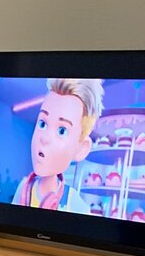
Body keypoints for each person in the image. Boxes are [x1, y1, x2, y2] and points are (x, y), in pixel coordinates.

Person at [13, 77, 104, 213]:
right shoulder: (24, 188)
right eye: (42, 124)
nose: (45, 138)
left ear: (81, 149)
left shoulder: (76, 204)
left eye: (62, 130)